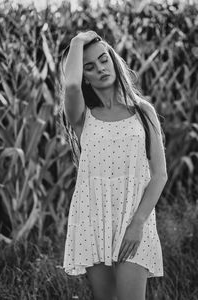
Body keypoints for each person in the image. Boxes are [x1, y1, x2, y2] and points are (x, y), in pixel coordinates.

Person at [59, 30, 168, 300]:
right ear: (84, 76)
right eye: (90, 67)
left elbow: (159, 175)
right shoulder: (83, 117)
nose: (101, 69)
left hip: (134, 217)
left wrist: (138, 223)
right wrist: (77, 41)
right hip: (92, 219)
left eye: (104, 59)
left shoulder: (143, 112)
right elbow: (71, 87)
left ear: (113, 60)